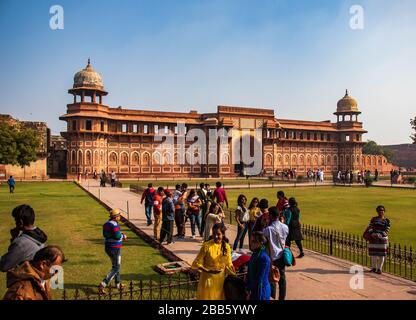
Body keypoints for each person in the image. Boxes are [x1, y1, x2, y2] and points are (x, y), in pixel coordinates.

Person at [0, 205, 48, 279]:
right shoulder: (40, 237)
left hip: (23, 284)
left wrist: (15, 239)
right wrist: (14, 238)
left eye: (15, 220)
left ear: (20, 222)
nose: (15, 223)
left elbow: (4, 265)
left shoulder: (20, 243)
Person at [191, 223, 235, 300]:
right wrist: (207, 270)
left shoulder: (227, 247)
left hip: (220, 280)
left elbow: (228, 263)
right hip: (207, 279)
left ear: (223, 234)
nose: (215, 236)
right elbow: (197, 262)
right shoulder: (206, 246)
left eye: (218, 234)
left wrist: (233, 272)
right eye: (214, 234)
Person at [263, 206, 289, 301]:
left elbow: (263, 237)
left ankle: (272, 297)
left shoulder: (268, 229)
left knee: (272, 279)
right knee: (282, 279)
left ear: (270, 216)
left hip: (272, 257)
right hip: (282, 256)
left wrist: (265, 224)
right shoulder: (285, 227)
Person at [99, 208, 127, 294]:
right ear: (115, 217)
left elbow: (106, 234)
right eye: (119, 215)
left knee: (115, 264)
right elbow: (117, 236)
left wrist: (119, 234)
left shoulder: (107, 223)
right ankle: (103, 284)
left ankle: (118, 284)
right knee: (116, 267)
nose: (120, 217)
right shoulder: (114, 225)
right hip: (115, 248)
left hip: (108, 247)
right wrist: (123, 236)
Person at [246, 231, 271, 300]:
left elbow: (259, 280)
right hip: (254, 289)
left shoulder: (264, 258)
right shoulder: (255, 254)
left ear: (261, 243)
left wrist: (249, 289)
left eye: (254, 241)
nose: (251, 243)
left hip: (260, 292)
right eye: (251, 241)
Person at [366, 205, 390, 274]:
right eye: (379, 210)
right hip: (373, 238)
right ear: (377, 211)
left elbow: (387, 229)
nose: (381, 211)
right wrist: (373, 234)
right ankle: (373, 268)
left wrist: (380, 235)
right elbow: (370, 227)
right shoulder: (373, 219)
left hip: (382, 239)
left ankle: (379, 269)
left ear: (384, 211)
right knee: (373, 254)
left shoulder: (386, 220)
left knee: (381, 254)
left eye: (382, 210)